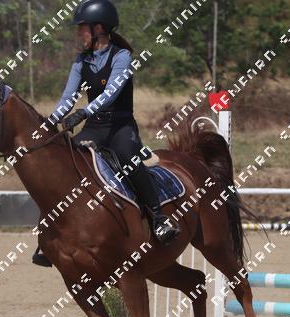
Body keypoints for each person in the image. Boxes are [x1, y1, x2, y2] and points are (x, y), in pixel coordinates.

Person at [31, 0, 180, 268]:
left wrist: (83, 112)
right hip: (94, 128)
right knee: (66, 165)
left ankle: (159, 218)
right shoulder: (81, 61)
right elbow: (68, 97)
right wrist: (51, 121)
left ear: (98, 28)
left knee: (128, 159)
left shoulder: (122, 57)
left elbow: (111, 94)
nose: (78, 33)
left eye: (82, 28)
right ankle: (49, 233)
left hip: (120, 127)